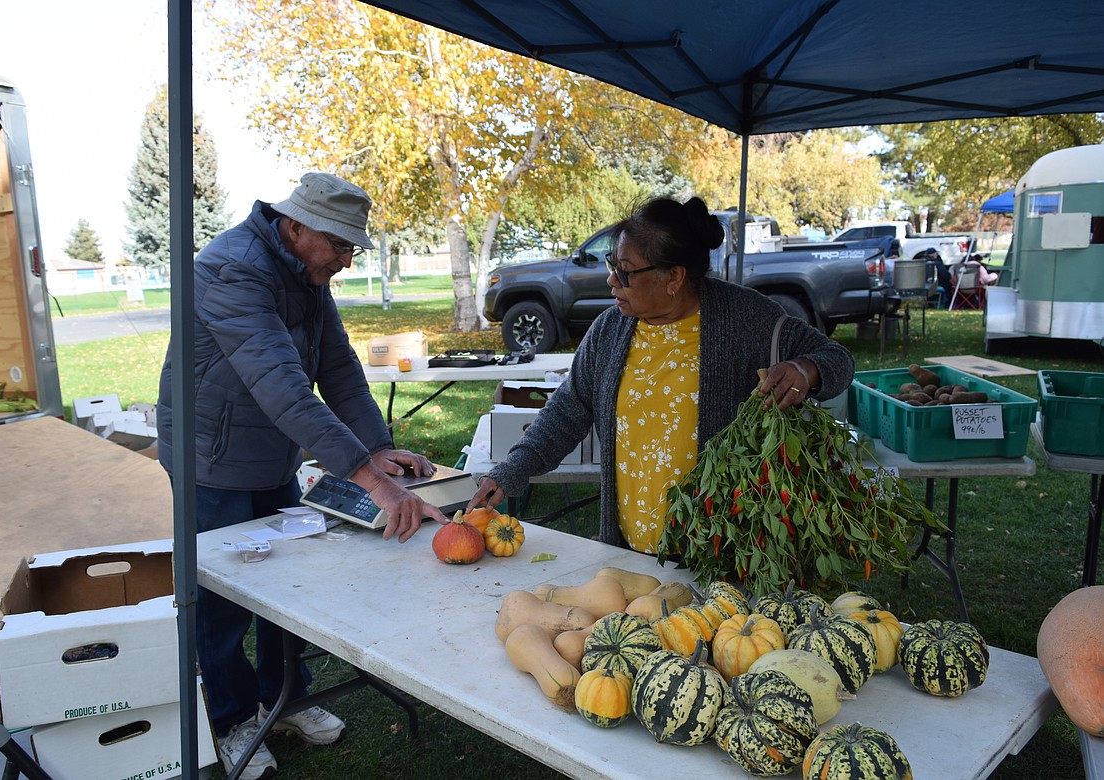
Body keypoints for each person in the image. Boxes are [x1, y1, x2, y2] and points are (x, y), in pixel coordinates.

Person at [156, 172, 446, 780]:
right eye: (340, 246)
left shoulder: (305, 273)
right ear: (294, 226)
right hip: (212, 458)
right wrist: (369, 477)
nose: (346, 259)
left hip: (270, 454)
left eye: (350, 249)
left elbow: (337, 367)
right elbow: (282, 384)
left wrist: (380, 449)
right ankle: (233, 716)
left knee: (285, 584)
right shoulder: (231, 268)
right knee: (224, 598)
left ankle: (286, 699)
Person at [466, 196, 855, 554]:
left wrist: (806, 370)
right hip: (630, 551)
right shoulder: (610, 330)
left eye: (626, 271)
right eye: (611, 266)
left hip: (721, 552)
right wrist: (512, 470)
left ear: (674, 277)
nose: (612, 281)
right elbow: (568, 409)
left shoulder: (749, 318)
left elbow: (835, 357)